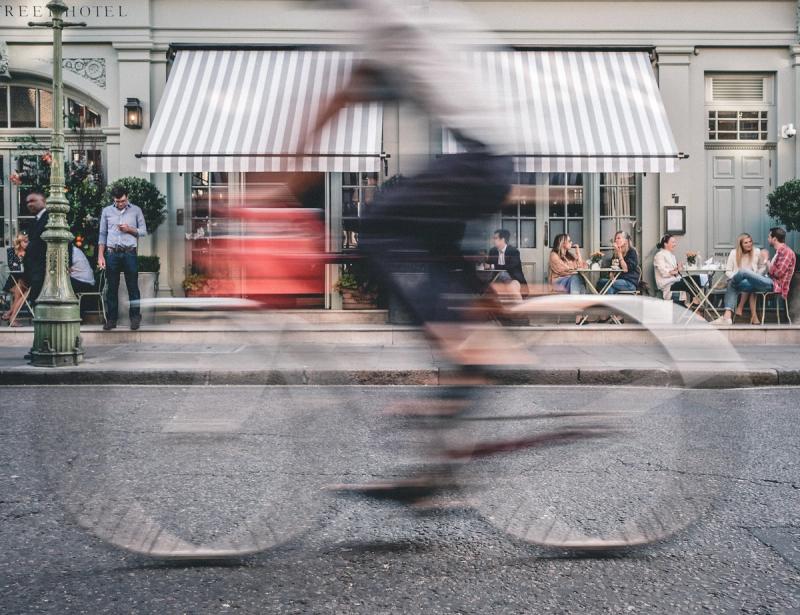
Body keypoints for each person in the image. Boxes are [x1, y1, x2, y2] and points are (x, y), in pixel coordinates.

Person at [713, 227, 797, 325]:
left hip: (775, 284)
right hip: (768, 280)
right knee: (732, 284)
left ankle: (731, 314)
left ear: (774, 239)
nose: (767, 239)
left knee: (743, 272)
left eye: (769, 237)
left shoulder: (786, 252)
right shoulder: (779, 252)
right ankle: (727, 317)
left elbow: (778, 273)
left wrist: (766, 260)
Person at [98, 185, 147, 330]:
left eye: (123, 201)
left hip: (129, 253)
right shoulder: (107, 211)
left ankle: (135, 317)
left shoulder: (136, 210)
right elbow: (102, 234)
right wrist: (101, 255)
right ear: (113, 199)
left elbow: (143, 231)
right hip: (112, 253)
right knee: (112, 287)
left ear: (127, 197)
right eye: (117, 201)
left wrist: (129, 229)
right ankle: (112, 319)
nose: (120, 204)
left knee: (133, 286)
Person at [723, 233, 764, 324]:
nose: (749, 244)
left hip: (752, 280)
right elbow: (728, 271)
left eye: (750, 241)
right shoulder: (734, 253)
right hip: (737, 280)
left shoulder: (757, 251)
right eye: (746, 243)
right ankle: (753, 316)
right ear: (741, 244)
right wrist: (736, 277)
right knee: (745, 282)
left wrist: (757, 275)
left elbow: (762, 267)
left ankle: (739, 308)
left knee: (751, 282)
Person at [653, 233, 702, 306]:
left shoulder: (672, 256)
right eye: (673, 242)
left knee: (697, 278)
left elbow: (674, 271)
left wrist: (677, 268)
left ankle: (695, 302)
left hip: (675, 281)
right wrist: (676, 270)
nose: (675, 244)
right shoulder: (659, 255)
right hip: (668, 284)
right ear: (666, 244)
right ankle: (695, 305)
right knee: (693, 281)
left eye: (675, 242)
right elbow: (664, 272)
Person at [21, 191, 48, 304]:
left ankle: (12, 314)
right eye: (27, 202)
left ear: (44, 201)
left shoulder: (49, 217)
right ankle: (12, 314)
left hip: (42, 266)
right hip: (33, 265)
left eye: (33, 201)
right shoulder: (35, 219)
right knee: (17, 282)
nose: (29, 204)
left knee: (20, 282)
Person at [488, 229, 527, 301]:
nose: (493, 240)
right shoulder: (492, 251)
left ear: (502, 239)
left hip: (513, 279)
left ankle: (519, 310)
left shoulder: (513, 251)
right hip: (497, 279)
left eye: (495, 238)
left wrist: (495, 267)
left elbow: (511, 267)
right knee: (501, 276)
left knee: (507, 280)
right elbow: (489, 265)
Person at [2, 232, 30, 326]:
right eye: (25, 241)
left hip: (24, 281)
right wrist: (20, 264)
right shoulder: (11, 251)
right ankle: (12, 318)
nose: (27, 244)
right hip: (12, 282)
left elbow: (26, 267)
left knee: (21, 288)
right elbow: (12, 267)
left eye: (28, 242)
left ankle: (10, 313)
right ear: (19, 241)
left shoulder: (29, 252)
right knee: (22, 290)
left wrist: (19, 264)